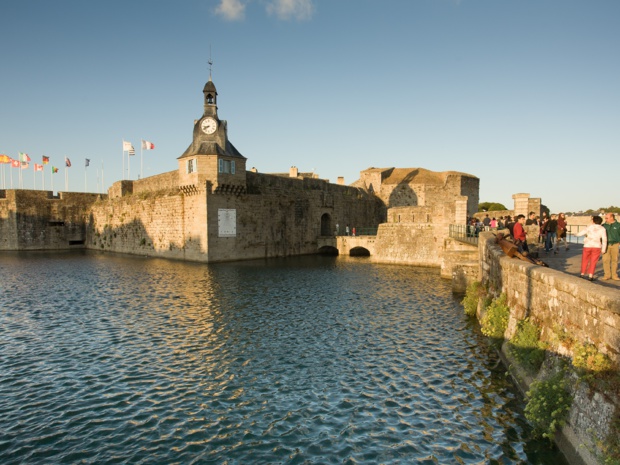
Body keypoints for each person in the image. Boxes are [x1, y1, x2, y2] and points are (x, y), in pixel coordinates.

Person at [575, 215, 607, 281]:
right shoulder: (602, 229)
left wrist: (576, 234)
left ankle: (582, 273)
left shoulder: (589, 227)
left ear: (593, 221)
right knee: (593, 261)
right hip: (597, 246)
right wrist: (603, 249)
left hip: (587, 245)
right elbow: (604, 239)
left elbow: (580, 233)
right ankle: (590, 275)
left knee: (585, 260)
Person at [602, 212, 620, 281]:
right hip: (606, 245)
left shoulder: (618, 225)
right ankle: (607, 275)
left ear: (612, 217)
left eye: (607, 218)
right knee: (605, 260)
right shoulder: (603, 225)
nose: (605, 219)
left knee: (614, 260)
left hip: (615, 244)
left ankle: (614, 275)